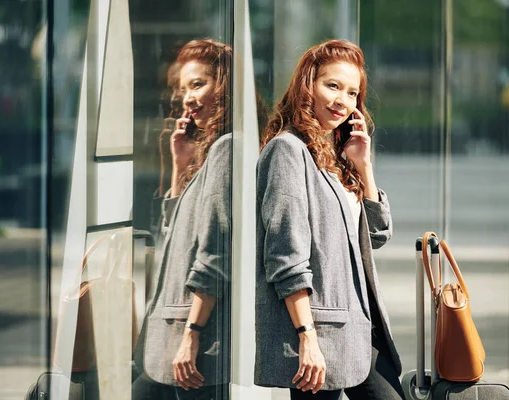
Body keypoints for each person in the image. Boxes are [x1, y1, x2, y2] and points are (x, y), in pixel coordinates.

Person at [254, 39, 405, 400]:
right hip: (320, 333)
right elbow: (285, 255)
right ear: (308, 85)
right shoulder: (288, 151)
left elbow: (377, 236)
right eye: (332, 85)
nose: (342, 100)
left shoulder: (336, 158)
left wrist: (363, 168)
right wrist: (307, 337)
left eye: (352, 92)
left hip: (359, 328)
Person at [132, 38, 232, 400]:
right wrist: (180, 168)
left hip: (197, 338)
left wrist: (192, 334)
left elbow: (216, 254)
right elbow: (174, 237)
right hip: (175, 332)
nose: (187, 97)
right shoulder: (209, 152)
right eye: (183, 88)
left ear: (224, 86)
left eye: (198, 84)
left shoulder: (227, 149)